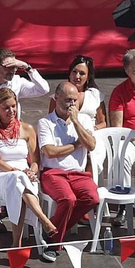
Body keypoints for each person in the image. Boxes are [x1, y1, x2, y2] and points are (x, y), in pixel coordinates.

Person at [38, 81, 99, 254]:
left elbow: (91, 145)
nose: (72, 104)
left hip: (79, 174)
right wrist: (76, 144)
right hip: (53, 173)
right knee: (68, 199)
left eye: (74, 100)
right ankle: (54, 245)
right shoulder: (46, 122)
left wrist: (76, 122)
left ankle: (52, 228)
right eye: (68, 100)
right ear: (56, 98)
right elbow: (50, 152)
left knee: (92, 198)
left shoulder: (84, 120)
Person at [67, 55, 107, 129]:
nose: (77, 76)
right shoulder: (59, 95)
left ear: (88, 77)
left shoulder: (96, 95)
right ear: (69, 74)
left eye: (82, 73)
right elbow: (51, 121)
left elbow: (103, 123)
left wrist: (92, 130)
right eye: (74, 72)